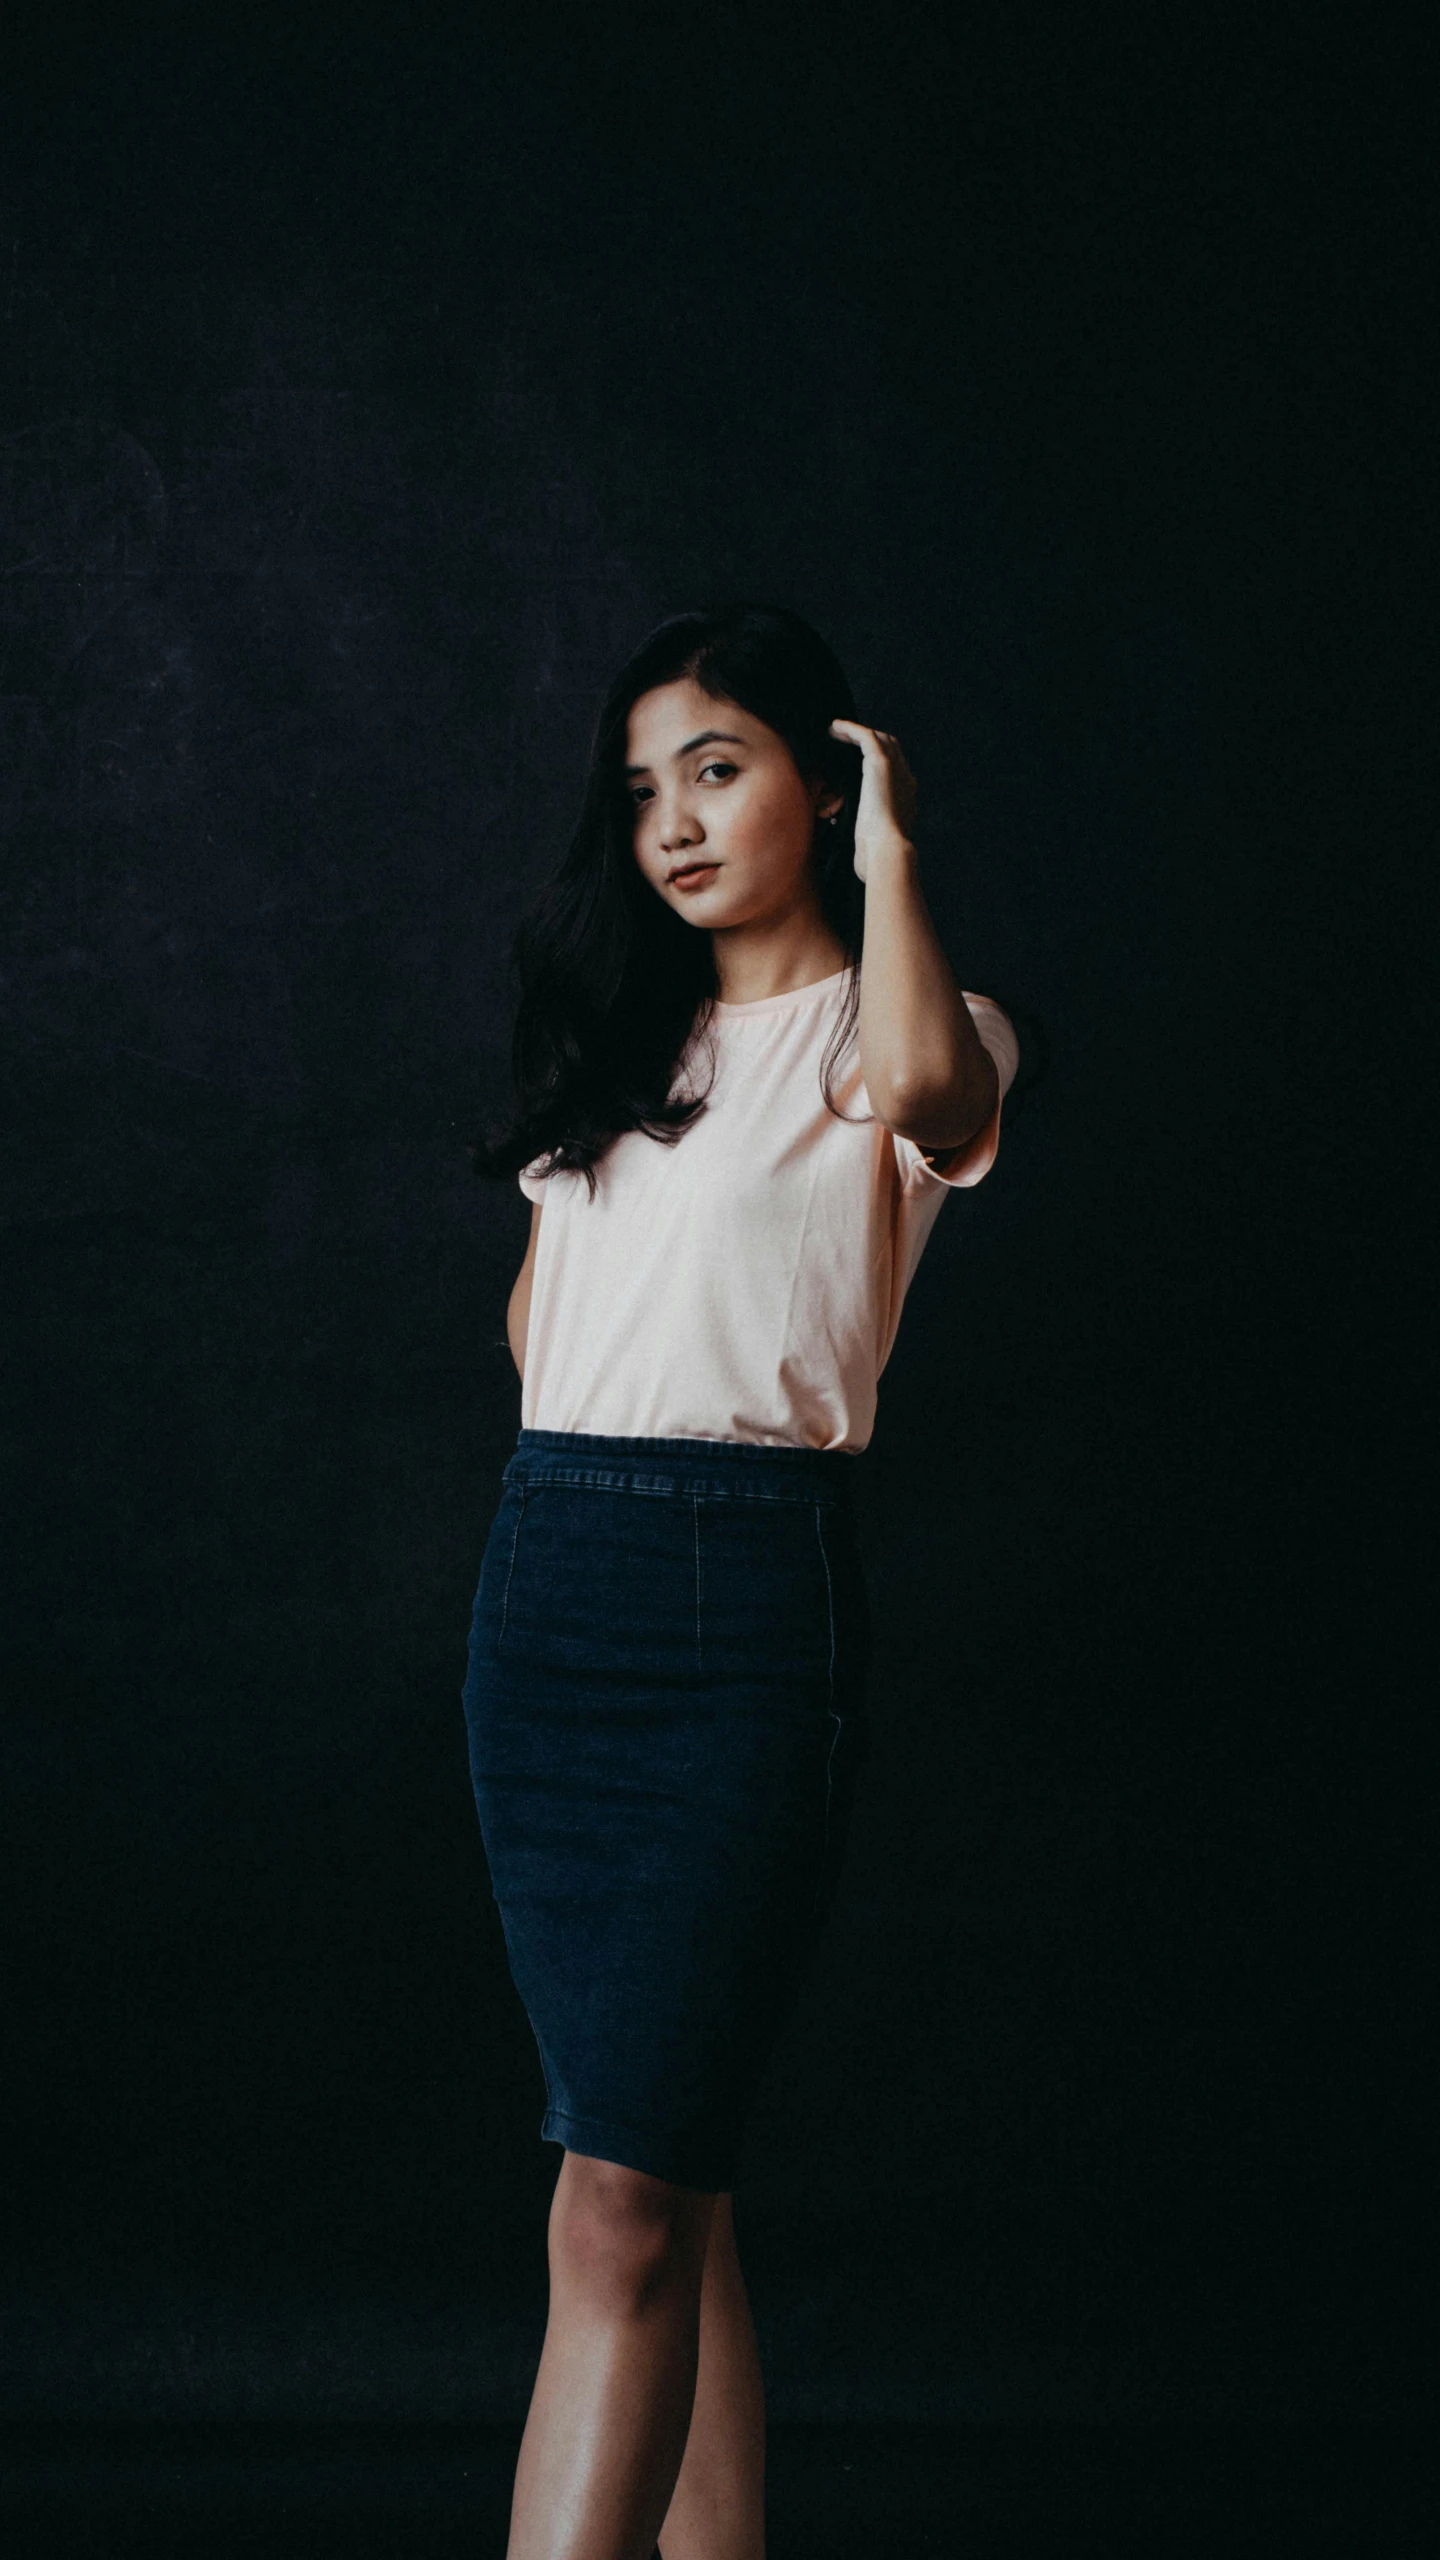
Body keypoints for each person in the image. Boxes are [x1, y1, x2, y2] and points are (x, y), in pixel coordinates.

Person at [463, 600, 1018, 2560]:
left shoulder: (903, 1037)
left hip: (737, 1606)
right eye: (643, 790)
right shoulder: (615, 1050)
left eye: (721, 765)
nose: (677, 821)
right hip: (549, 1598)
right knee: (658, 2188)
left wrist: (893, 866)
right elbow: (539, 1334)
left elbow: (937, 1102)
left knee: (618, 2196)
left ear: (824, 771)